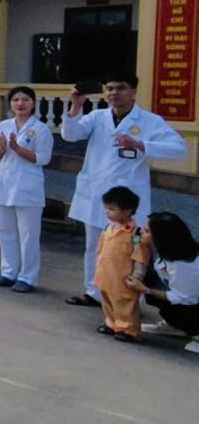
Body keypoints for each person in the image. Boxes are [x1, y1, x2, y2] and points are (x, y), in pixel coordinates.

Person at [61, 73, 186, 307]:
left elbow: (179, 149)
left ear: (134, 92)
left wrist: (140, 144)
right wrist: (76, 106)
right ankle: (93, 292)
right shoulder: (97, 117)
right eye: (109, 88)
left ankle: (127, 296)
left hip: (128, 197)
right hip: (97, 191)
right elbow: (70, 135)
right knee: (94, 246)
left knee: (131, 248)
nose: (114, 93)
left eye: (120, 88)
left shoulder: (150, 121)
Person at [0, 86, 53, 293]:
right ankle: (8, 272)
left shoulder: (41, 129)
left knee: (28, 235)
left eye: (25, 99)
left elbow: (43, 158)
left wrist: (17, 149)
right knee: (4, 231)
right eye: (16, 99)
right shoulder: (2, 126)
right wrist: (2, 149)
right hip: (3, 184)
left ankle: (27, 277)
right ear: (10, 104)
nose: (20, 103)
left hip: (27, 187)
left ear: (33, 104)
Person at [127, 211, 199, 353]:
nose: (141, 232)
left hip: (191, 301)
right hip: (186, 292)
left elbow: (187, 299)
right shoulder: (163, 248)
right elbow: (135, 240)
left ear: (159, 237)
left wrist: (146, 290)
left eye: (147, 231)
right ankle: (176, 326)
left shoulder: (182, 265)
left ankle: (192, 329)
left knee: (157, 294)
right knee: (148, 279)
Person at [92, 187, 149, 342]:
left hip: (123, 278)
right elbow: (101, 250)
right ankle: (111, 323)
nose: (107, 212)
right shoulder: (108, 228)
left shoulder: (135, 233)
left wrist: (137, 276)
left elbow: (140, 257)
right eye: (106, 208)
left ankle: (128, 329)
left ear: (127, 211)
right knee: (107, 301)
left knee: (125, 305)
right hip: (106, 275)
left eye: (112, 209)